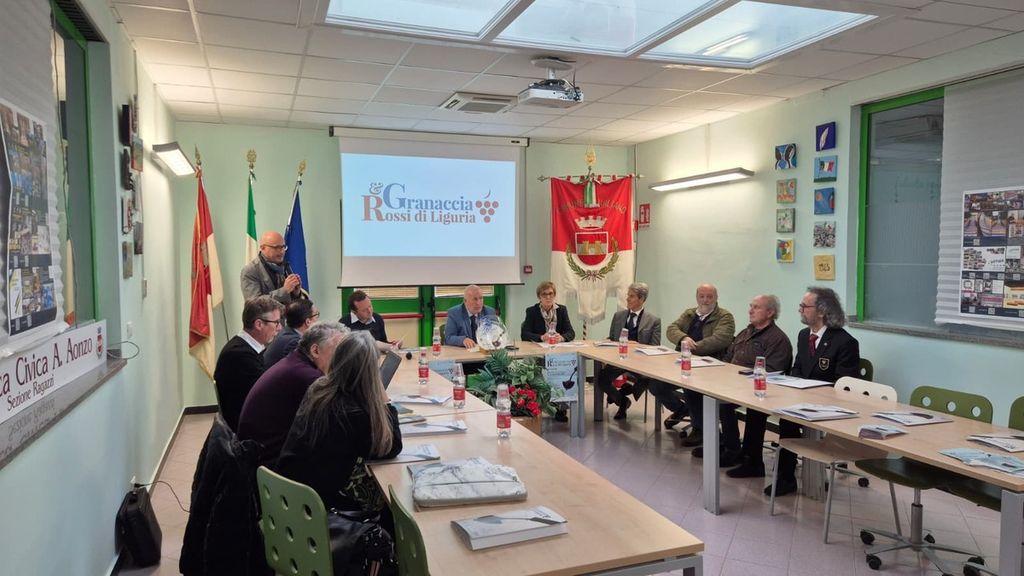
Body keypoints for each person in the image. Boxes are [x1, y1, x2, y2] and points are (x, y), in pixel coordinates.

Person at [750, 287, 860, 496]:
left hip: (829, 403)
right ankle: (779, 475)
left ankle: (788, 477)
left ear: (822, 311)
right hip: (803, 398)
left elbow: (844, 385)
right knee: (778, 414)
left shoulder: (845, 342)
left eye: (804, 306)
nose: (800, 310)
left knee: (789, 421)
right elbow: (798, 368)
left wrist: (811, 394)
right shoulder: (804, 335)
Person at [276, 331, 403, 512]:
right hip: (318, 507)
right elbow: (391, 448)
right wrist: (385, 402)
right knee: (391, 497)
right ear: (371, 372)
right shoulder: (353, 412)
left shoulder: (319, 389)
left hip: (290, 493)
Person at [237, 322, 348, 465]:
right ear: (315, 350)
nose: (343, 359)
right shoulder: (308, 377)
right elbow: (341, 416)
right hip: (270, 461)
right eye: (338, 352)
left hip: (257, 453)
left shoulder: (295, 362)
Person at [709, 295, 793, 472]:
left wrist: (740, 381)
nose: (750, 311)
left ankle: (745, 458)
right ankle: (721, 444)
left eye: (756, 307)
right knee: (703, 394)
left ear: (770, 312)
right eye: (751, 306)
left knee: (728, 405)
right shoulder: (746, 332)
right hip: (734, 384)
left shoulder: (777, 339)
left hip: (759, 389)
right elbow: (728, 358)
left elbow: (772, 371)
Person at [662, 284, 735, 447]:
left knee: (691, 387)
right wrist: (683, 338)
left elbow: (720, 339)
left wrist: (689, 348)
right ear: (697, 297)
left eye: (709, 296)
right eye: (701, 296)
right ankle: (681, 409)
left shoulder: (725, 317)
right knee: (656, 384)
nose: (705, 300)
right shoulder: (689, 313)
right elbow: (671, 329)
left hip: (709, 366)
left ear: (716, 298)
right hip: (682, 362)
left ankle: (699, 430)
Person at [213, 296, 284, 431]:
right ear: (259, 324)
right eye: (276, 322)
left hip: (250, 415)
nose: (279, 328)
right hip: (246, 425)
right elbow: (266, 393)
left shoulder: (246, 347)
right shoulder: (239, 354)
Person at [596, 282, 661, 420]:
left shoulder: (654, 321)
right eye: (628, 295)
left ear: (642, 299)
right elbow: (612, 338)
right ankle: (623, 401)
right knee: (602, 379)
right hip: (618, 360)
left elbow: (655, 346)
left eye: (631, 296)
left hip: (640, 362)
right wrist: (605, 343)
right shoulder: (618, 316)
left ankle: (627, 389)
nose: (627, 299)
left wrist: (637, 345)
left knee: (648, 379)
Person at [521, 281, 576, 422]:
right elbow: (525, 334)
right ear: (539, 297)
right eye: (544, 294)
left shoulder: (561, 310)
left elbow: (571, 332)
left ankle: (561, 408)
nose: (548, 297)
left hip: (558, 354)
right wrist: (541, 337)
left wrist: (561, 337)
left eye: (551, 294)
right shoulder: (532, 311)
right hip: (539, 353)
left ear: (554, 295)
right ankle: (538, 405)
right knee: (534, 371)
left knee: (563, 370)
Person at [240, 230, 305, 303]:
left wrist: (296, 293)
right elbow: (254, 303)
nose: (282, 251)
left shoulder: (285, 265)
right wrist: (284, 291)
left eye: (283, 247)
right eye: (276, 247)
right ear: (263, 248)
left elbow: (292, 301)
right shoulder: (250, 271)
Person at [263, 299, 319, 368]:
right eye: (316, 315)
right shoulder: (293, 343)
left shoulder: (287, 332)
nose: (318, 320)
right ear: (308, 322)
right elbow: (303, 369)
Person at [445, 285, 496, 349]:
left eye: (481, 298)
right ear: (465, 301)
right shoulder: (454, 313)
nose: (478, 303)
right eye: (475, 299)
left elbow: (496, 334)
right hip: (463, 352)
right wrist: (463, 340)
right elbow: (448, 338)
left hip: (483, 351)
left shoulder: (489, 312)